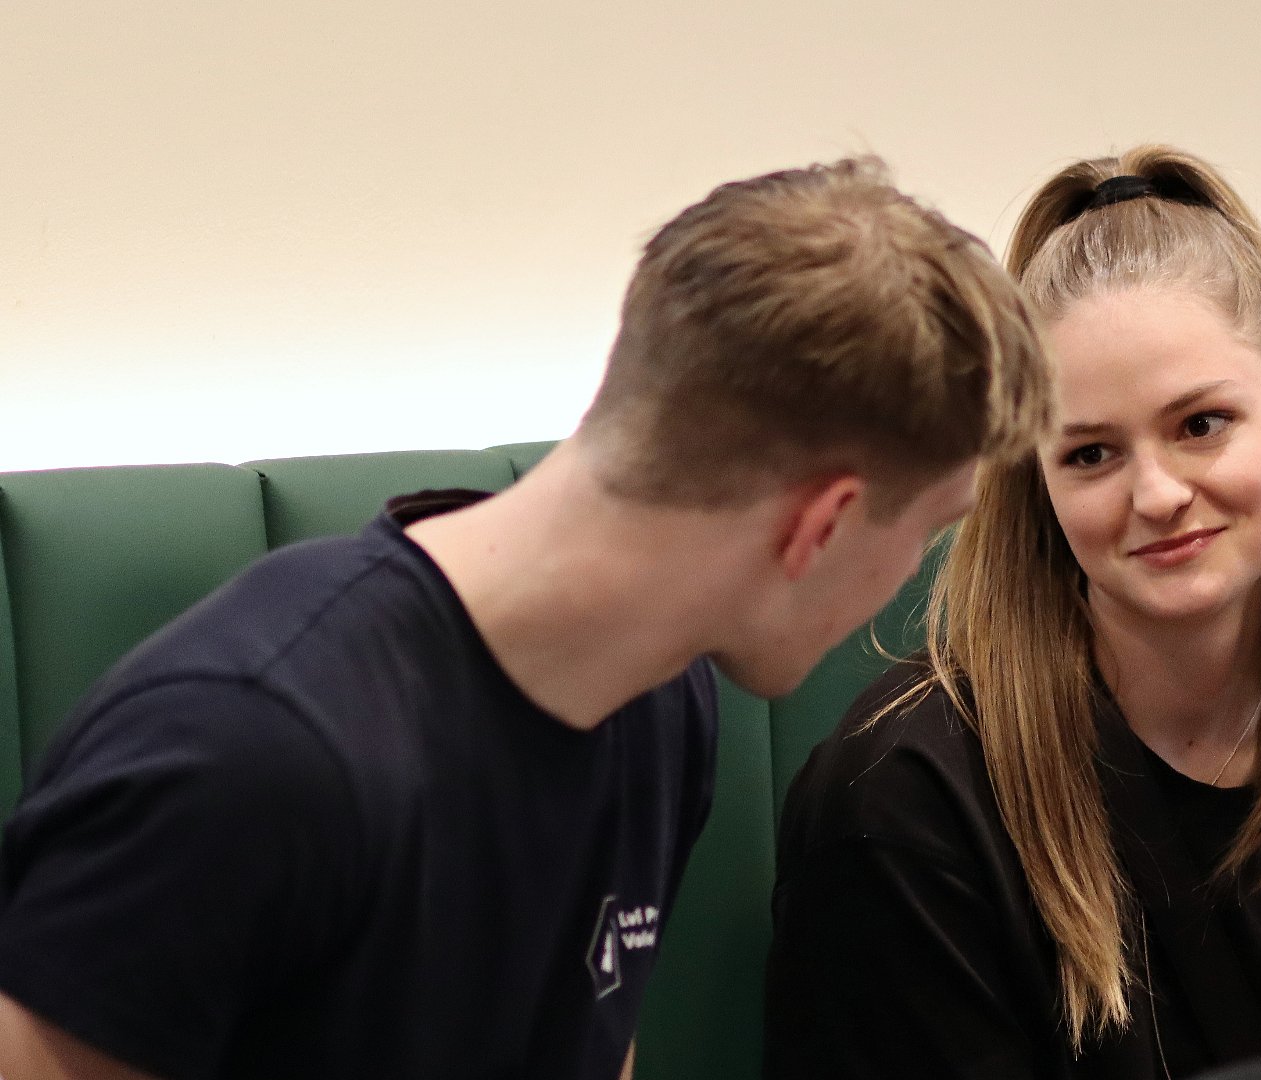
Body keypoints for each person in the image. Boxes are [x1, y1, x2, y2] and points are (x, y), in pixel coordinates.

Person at [0, 157, 1052, 1080]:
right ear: (819, 528)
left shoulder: (659, 694)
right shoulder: (242, 757)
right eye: (929, 527)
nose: (914, 573)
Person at [765, 146, 1261, 1079]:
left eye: (1201, 425)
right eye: (1091, 454)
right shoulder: (903, 795)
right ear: (1038, 479)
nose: (1158, 494)